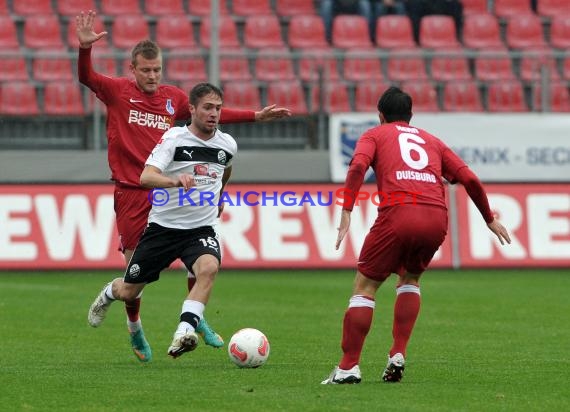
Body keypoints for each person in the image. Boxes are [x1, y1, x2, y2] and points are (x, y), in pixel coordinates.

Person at [77, 10, 291, 363]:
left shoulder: (172, 98)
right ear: (133, 69)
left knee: (201, 263)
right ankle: (135, 329)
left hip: (170, 191)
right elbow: (86, 77)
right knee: (135, 281)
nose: (152, 75)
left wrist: (255, 116)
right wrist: (85, 50)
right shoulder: (117, 91)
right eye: (145, 70)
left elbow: (210, 117)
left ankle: (194, 321)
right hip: (133, 190)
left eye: (157, 69)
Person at [321, 86, 511, 384]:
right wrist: (489, 218)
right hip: (436, 216)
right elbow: (469, 178)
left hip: (398, 213)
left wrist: (346, 210)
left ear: (380, 115)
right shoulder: (431, 140)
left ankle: (347, 368)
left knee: (365, 286)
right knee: (409, 279)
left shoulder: (374, 134)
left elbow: (358, 164)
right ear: (411, 116)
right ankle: (398, 353)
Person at [88, 82, 236, 359]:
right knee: (129, 291)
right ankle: (109, 292)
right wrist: (174, 181)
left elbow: (225, 170)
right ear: (191, 109)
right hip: (163, 230)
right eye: (207, 108)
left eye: (217, 108)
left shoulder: (227, 145)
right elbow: (146, 177)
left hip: (200, 229)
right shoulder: (174, 139)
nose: (213, 113)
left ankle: (183, 333)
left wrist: (219, 196)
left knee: (208, 268)